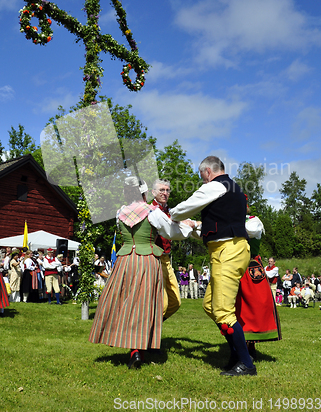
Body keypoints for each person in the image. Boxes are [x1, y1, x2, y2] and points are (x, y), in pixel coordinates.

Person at [89, 176, 194, 369]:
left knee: (122, 302)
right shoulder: (152, 212)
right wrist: (191, 226)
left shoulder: (120, 212)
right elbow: (171, 232)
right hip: (146, 260)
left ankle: (130, 346)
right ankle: (138, 350)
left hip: (125, 260)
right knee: (144, 305)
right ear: (144, 193)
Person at [170, 155, 257, 376]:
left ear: (208, 172)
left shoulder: (216, 186)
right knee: (210, 305)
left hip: (227, 252)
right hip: (229, 249)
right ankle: (237, 353)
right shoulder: (233, 188)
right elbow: (218, 228)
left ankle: (246, 363)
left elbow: (181, 209)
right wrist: (197, 227)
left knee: (223, 311)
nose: (202, 182)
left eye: (202, 177)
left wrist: (174, 216)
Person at [235, 209, 282, 360]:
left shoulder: (253, 221)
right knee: (237, 306)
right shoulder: (231, 219)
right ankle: (239, 344)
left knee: (254, 306)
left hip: (251, 267)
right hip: (235, 266)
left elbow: (252, 230)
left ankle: (250, 346)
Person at [151, 179, 182, 320]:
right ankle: (148, 335)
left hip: (167, 259)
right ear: (153, 193)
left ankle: (151, 327)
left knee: (175, 302)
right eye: (161, 190)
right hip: (154, 258)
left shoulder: (170, 212)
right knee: (162, 304)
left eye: (167, 190)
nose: (165, 193)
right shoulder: (150, 211)